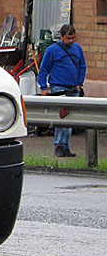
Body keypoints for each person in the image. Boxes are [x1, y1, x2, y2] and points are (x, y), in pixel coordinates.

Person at [37, 24, 86, 157]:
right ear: (62, 37)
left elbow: (82, 66)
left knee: (70, 120)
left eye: (73, 38)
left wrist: (79, 83)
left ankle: (65, 145)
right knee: (62, 118)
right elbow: (44, 69)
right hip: (59, 87)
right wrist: (43, 87)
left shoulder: (77, 48)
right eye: (68, 38)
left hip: (73, 88)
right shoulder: (52, 50)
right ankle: (59, 144)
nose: (71, 41)